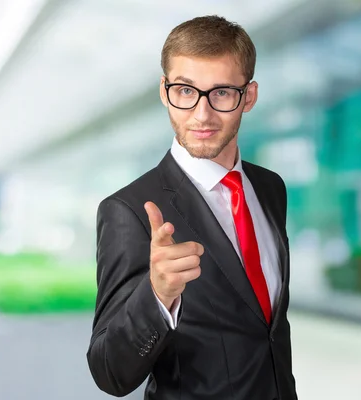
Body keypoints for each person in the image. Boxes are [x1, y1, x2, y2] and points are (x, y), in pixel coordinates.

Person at [86, 15, 298, 400]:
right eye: (186, 91)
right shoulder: (128, 210)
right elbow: (108, 372)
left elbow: (266, 332)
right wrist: (157, 295)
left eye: (221, 93)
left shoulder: (270, 188)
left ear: (248, 97)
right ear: (165, 91)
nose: (202, 114)